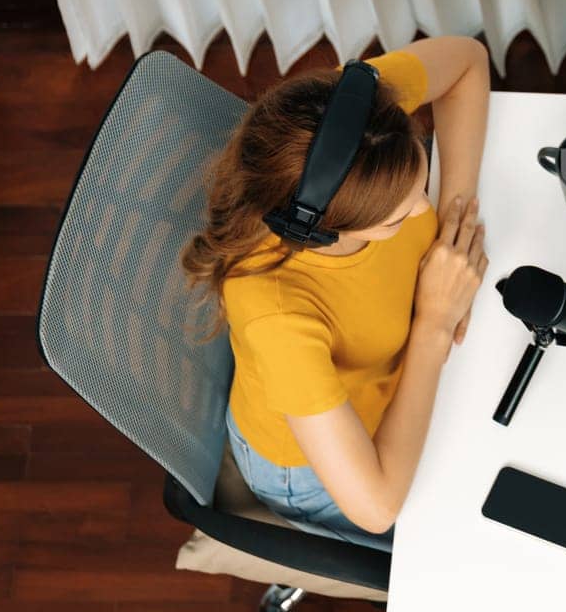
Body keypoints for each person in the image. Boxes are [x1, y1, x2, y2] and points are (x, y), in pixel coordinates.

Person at [182, 38, 492, 550]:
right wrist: (435, 322)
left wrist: (455, 219)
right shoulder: (275, 313)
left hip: (392, 373)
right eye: (397, 216)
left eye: (420, 184)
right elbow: (376, 506)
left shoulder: (348, 120)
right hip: (313, 470)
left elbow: (466, 61)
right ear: (325, 232)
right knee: (463, 540)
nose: (421, 212)